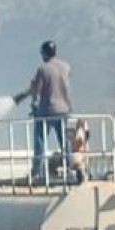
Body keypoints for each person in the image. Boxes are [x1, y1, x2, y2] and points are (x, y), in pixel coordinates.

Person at [12, 39, 72, 183]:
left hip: (47, 110)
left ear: (44, 53)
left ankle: (36, 170)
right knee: (65, 141)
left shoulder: (43, 69)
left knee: (39, 139)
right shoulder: (66, 67)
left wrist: (26, 99)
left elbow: (36, 90)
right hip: (64, 109)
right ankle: (69, 168)